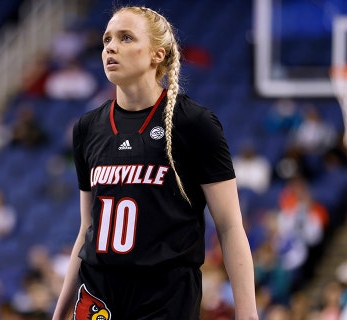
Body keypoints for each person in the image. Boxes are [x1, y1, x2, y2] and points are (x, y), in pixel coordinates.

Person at [52, 6, 258, 320]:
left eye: (125, 38)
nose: (110, 46)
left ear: (156, 54)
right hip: (98, 292)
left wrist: (248, 314)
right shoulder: (87, 127)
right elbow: (87, 229)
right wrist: (60, 312)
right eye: (107, 39)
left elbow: (230, 227)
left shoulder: (193, 123)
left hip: (166, 295)